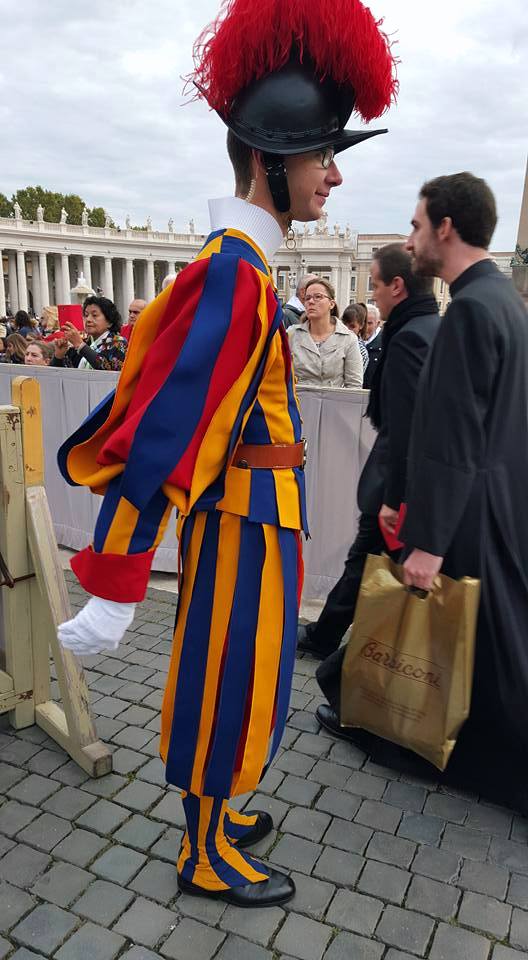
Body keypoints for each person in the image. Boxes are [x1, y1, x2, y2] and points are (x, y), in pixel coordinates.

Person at [56, 0, 397, 907]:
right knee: (225, 678)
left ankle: (222, 814)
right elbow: (163, 431)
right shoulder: (233, 275)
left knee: (246, 679)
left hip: (263, 515)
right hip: (241, 521)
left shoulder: (249, 270)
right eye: (321, 154)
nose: (332, 175)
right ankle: (202, 852)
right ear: (267, 159)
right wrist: (117, 579)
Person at [398, 172, 528, 810]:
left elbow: (451, 437)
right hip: (502, 500)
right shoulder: (503, 299)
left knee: (496, 652)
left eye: (418, 225)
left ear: (446, 227)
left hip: (473, 513)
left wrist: (427, 541)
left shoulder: (471, 309)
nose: (412, 237)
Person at [298, 244, 440, 726]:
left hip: (397, 489)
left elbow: (408, 426)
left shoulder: (411, 337)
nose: (372, 295)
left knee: (379, 580)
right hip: (398, 485)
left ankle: (346, 677)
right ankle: (325, 643)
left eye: (376, 284)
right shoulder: (423, 329)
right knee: (364, 567)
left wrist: (394, 498)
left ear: (397, 286)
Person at [287, 278, 363, 387]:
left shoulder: (348, 339)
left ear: (331, 304)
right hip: (299, 402)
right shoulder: (291, 335)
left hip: (334, 403)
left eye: (318, 297)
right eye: (307, 298)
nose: (311, 302)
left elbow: (354, 385)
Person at [51, 296, 127, 371]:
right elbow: (60, 374)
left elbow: (107, 368)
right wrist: (58, 356)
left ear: (110, 322)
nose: (88, 319)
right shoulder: (83, 343)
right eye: (86, 315)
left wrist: (80, 345)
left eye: (94, 315)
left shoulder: (119, 343)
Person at [341, 303, 369, 372]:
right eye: (344, 324)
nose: (347, 329)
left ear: (361, 326)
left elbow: (354, 380)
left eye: (352, 326)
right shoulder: (333, 339)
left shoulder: (361, 351)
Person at [362, 303, 383, 387]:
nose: (365, 327)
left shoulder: (386, 343)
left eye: (369, 323)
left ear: (377, 324)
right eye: (363, 322)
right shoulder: (352, 341)